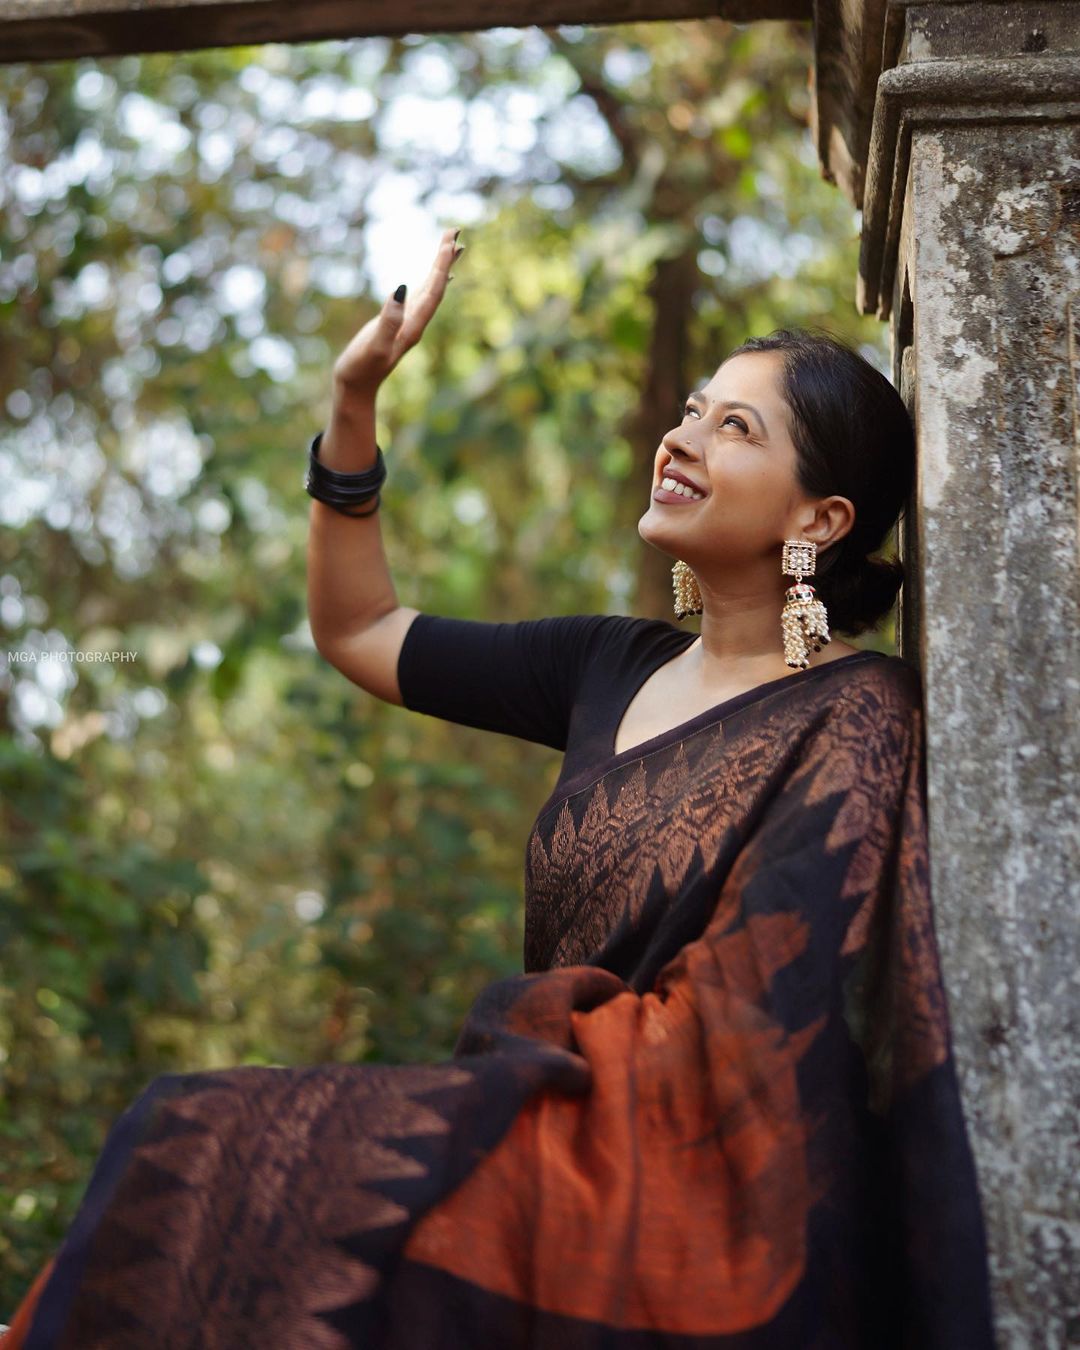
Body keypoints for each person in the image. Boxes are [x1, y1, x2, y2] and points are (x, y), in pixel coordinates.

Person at [5, 230, 996, 1348]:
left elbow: (779, 1018)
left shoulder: (857, 715)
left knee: (218, 1147)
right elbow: (359, 627)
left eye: (736, 426)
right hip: (548, 1110)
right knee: (195, 1156)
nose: (681, 437)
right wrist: (353, 398)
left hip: (689, 1173)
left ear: (820, 521)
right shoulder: (603, 665)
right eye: (692, 407)